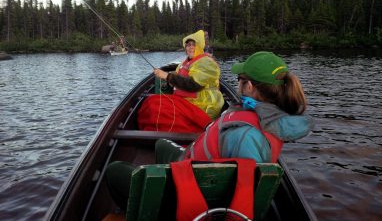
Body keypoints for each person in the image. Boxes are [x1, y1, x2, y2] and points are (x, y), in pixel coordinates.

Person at [105, 51, 313, 209]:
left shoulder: (243, 135)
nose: (237, 83)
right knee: (160, 144)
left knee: (114, 170)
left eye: (240, 79)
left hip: (192, 197)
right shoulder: (274, 119)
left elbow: (240, 190)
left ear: (249, 87)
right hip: (196, 170)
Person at [137, 29, 224, 133]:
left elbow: (193, 84)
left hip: (203, 106)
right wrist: (169, 78)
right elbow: (179, 79)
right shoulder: (184, 63)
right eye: (188, 45)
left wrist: (167, 76)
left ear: (200, 47)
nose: (190, 47)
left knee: (154, 105)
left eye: (193, 44)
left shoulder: (206, 62)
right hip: (186, 101)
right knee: (151, 102)